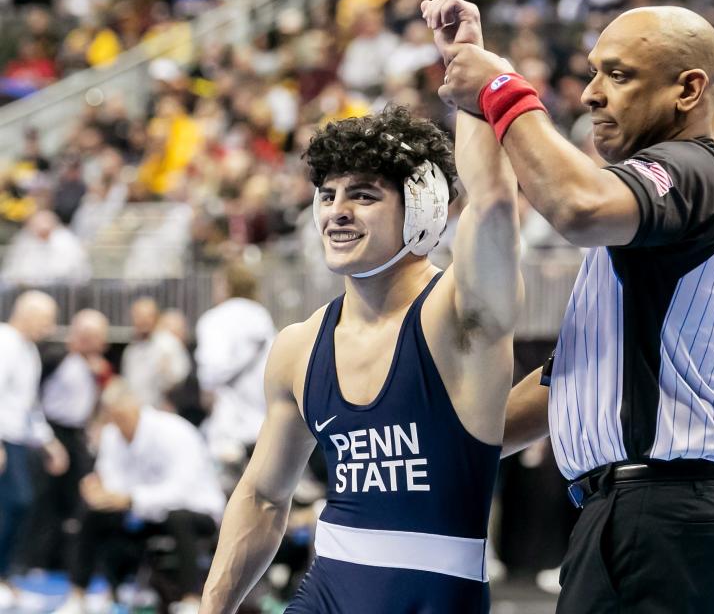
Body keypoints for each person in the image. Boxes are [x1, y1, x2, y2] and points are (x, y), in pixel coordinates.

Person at [423, 0, 714, 613]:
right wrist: (443, 443)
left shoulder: (695, 169)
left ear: (688, 90)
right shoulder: (649, 227)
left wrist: (501, 85)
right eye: (593, 72)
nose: (590, 94)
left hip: (657, 519)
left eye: (619, 74)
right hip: (672, 519)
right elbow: (569, 384)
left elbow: (577, 205)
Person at [199, 105, 521, 613]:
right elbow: (263, 496)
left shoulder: (459, 318)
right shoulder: (298, 347)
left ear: (423, 207)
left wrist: (474, 89)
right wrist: (213, 608)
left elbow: (495, 206)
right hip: (323, 598)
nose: (337, 211)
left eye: (364, 195)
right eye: (328, 196)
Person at [54, 379, 225, 614]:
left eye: (122, 414)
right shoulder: (112, 435)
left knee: (178, 518)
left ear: (136, 407)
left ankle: (190, 599)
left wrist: (130, 498)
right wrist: (100, 493)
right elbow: (112, 478)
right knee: (92, 514)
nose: (118, 421)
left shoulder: (175, 431)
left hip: (195, 510)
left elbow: (182, 489)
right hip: (143, 513)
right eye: (113, 416)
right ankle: (78, 595)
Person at [24, 309, 111, 571]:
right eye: (88, 335)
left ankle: (65, 560)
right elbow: (32, 396)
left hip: (77, 434)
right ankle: (34, 561)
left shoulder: (96, 367)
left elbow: (96, 403)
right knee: (45, 498)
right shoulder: (57, 358)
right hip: (52, 431)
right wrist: (45, 439)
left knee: (75, 501)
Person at [0, 291, 69, 608]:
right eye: (46, 320)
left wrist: (48, 442)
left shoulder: (28, 351)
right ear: (26, 313)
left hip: (18, 440)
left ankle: (5, 576)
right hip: (4, 439)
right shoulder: (4, 341)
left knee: (20, 506)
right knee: (13, 504)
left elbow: (28, 405)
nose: (50, 327)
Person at [195, 262, 276, 465]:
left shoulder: (214, 319)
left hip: (230, 428)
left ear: (226, 285)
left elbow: (212, 370)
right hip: (265, 424)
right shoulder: (262, 316)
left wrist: (206, 387)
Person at [120, 297, 191, 409]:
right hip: (137, 412)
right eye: (138, 316)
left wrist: (167, 373)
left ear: (156, 318)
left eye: (147, 316)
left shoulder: (168, 344)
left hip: (162, 411)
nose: (142, 321)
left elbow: (179, 378)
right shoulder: (131, 351)